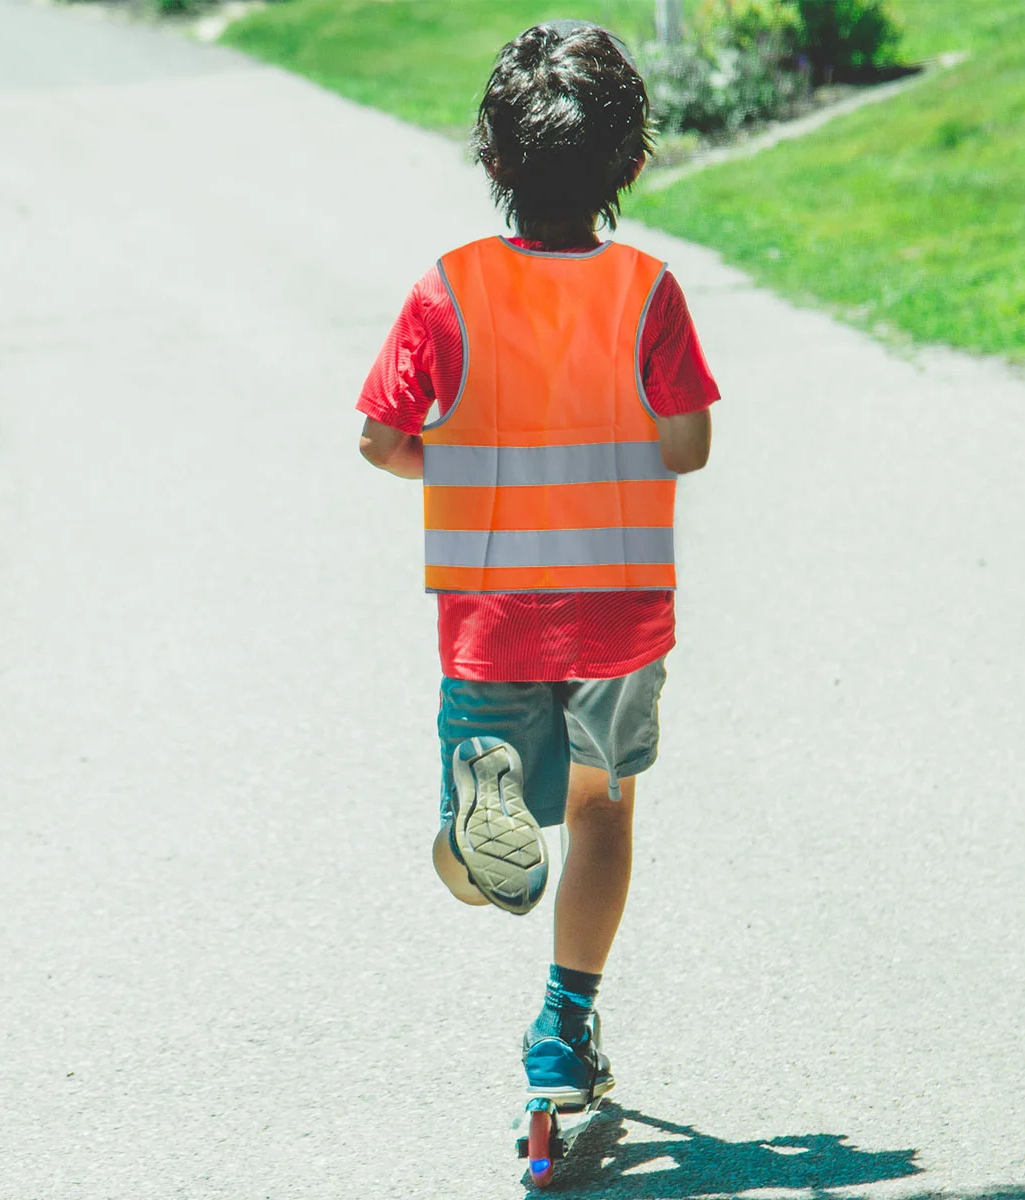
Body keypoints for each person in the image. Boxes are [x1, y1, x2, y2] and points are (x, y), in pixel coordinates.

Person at [356, 19, 718, 1108]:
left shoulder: (449, 290)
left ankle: (476, 836)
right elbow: (689, 445)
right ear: (633, 165)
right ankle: (564, 1025)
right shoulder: (647, 291)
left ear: (495, 160)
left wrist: (462, 464)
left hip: (492, 614)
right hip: (619, 613)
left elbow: (380, 438)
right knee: (605, 809)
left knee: (482, 879)